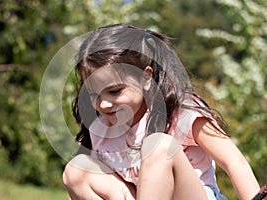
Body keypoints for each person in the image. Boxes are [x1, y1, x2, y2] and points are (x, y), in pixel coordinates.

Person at [62, 24, 260, 200]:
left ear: (145, 77)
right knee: (76, 169)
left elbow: (235, 162)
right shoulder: (102, 129)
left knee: (159, 145)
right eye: (93, 94)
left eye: (114, 91)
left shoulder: (181, 113)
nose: (104, 104)